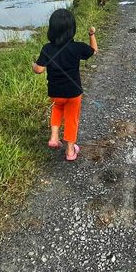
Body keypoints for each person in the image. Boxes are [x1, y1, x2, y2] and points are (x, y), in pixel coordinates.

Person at [33, 8, 97, 161]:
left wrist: (33, 65)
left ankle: (54, 138)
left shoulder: (47, 48)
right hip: (73, 92)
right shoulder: (77, 47)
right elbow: (94, 50)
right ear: (72, 29)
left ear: (51, 29)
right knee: (71, 119)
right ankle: (70, 150)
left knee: (57, 109)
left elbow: (39, 70)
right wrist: (91, 34)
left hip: (55, 92)